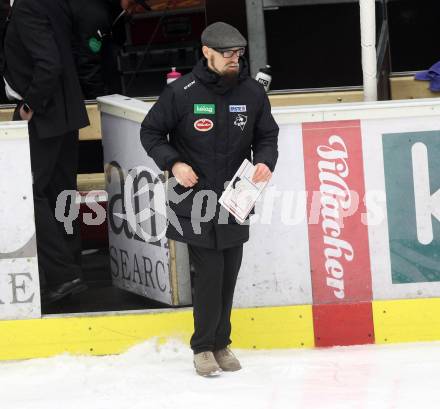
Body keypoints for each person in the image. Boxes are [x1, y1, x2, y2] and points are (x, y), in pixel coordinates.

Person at [140, 21, 279, 376]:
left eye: (238, 53)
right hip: (194, 200)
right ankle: (203, 347)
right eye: (226, 54)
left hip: (236, 200)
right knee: (210, 272)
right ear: (206, 52)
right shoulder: (182, 92)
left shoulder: (251, 92)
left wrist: (265, 161)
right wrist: (174, 163)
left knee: (228, 273)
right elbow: (151, 131)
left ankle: (222, 343)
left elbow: (267, 135)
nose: (234, 59)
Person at [3, 0, 90, 305]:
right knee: (60, 193)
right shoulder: (53, 4)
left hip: (43, 113)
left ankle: (62, 273)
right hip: (64, 113)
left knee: (27, 193)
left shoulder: (27, 7)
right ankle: (72, 269)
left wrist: (30, 104)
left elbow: (49, 63)